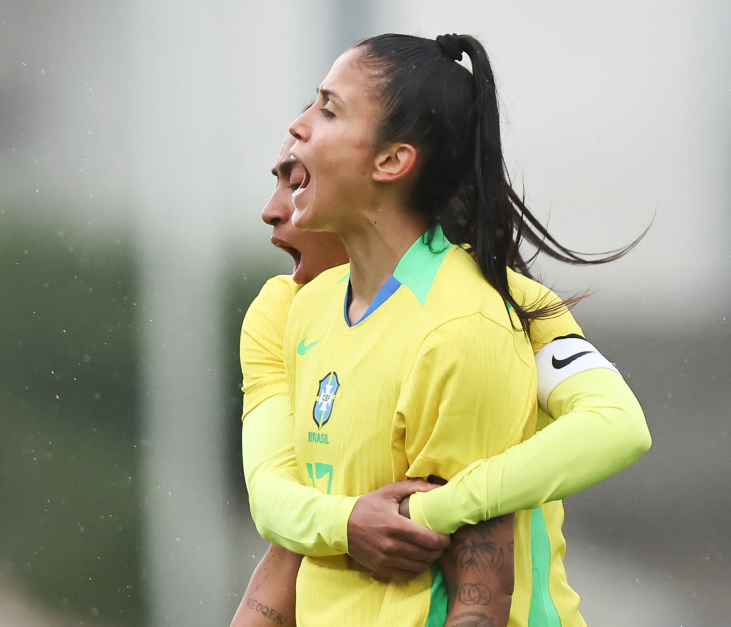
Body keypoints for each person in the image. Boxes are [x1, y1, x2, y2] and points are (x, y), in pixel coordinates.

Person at [235, 34, 651, 627]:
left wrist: (434, 512)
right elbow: (282, 513)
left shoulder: (482, 314)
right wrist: (348, 523)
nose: (274, 207)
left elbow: (615, 427)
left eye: (328, 112)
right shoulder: (291, 311)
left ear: (392, 163)